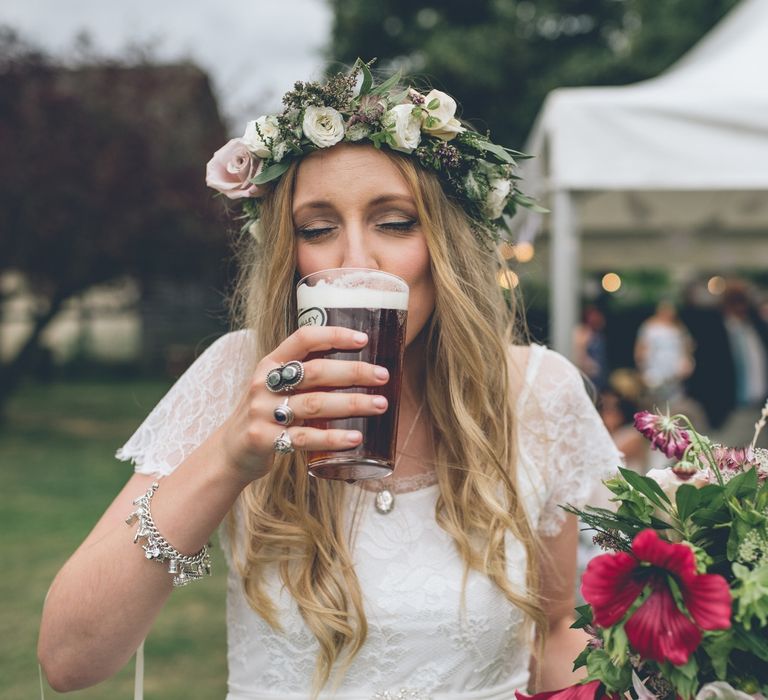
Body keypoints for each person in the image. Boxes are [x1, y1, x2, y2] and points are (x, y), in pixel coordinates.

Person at [38, 61, 622, 699]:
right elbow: (69, 660)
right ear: (292, 258)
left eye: (395, 222)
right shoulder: (243, 374)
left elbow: (555, 629)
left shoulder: (539, 392)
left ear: (449, 244)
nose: (354, 261)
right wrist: (229, 456)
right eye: (317, 229)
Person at [634, 300, 695, 407]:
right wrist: (642, 369)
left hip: (675, 374)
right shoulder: (649, 326)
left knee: (675, 404)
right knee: (656, 404)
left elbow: (687, 347)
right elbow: (640, 349)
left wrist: (687, 362)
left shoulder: (678, 327)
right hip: (655, 372)